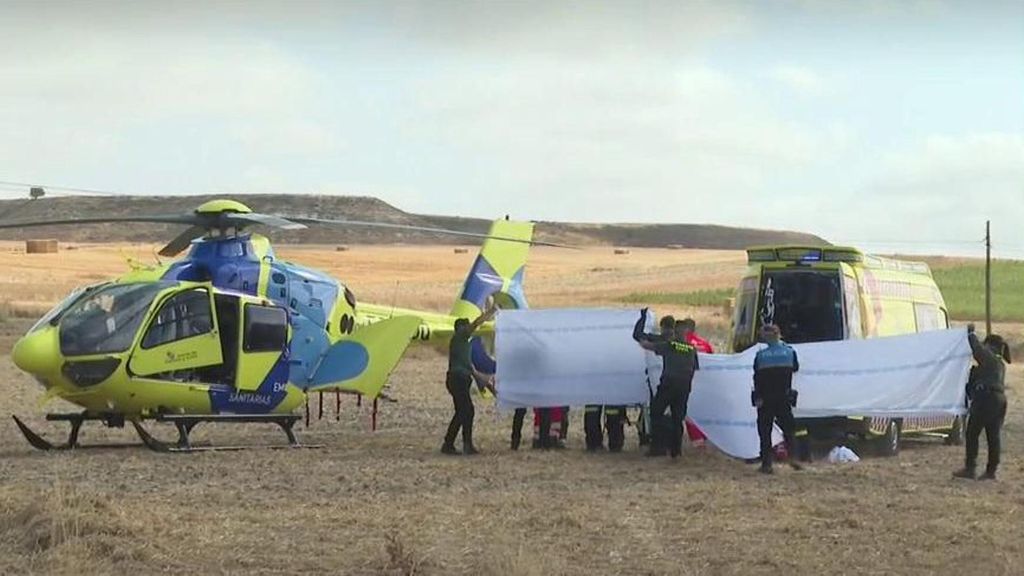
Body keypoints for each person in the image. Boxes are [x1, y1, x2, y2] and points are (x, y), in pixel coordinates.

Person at [633, 310, 699, 458]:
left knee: (656, 412)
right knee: (677, 418)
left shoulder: (670, 345)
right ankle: (676, 451)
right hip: (684, 387)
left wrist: (642, 332)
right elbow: (694, 369)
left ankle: (658, 447)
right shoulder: (691, 348)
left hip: (668, 384)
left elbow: (646, 345)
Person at [954, 324, 1011, 480]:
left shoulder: (990, 358)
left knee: (972, 433)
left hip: (986, 399)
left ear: (990, 345)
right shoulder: (999, 364)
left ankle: (970, 468)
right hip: (999, 400)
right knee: (993, 436)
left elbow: (977, 350)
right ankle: (991, 471)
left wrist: (971, 333)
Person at [441, 303, 498, 456]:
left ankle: (453, 443)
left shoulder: (462, 346)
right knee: (466, 411)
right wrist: (490, 312)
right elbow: (476, 324)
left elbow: (472, 370)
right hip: (458, 379)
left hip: (459, 379)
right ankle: (460, 444)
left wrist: (491, 389)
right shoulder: (459, 337)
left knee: (463, 411)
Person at [752, 324, 802, 474]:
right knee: (789, 428)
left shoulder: (761, 355)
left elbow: (757, 376)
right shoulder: (789, 352)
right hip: (783, 396)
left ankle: (767, 464)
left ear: (765, 337)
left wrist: (758, 397)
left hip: (766, 398)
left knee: (765, 430)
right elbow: (795, 368)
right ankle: (793, 457)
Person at [635, 315, 675, 448]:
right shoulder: (682, 344)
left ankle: (657, 444)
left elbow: (638, 336)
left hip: (661, 384)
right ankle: (673, 445)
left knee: (656, 413)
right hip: (678, 384)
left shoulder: (660, 341)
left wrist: (642, 317)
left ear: (662, 328)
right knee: (674, 414)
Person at [679, 318, 714, 447]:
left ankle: (696, 438)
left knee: (689, 410)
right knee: (702, 409)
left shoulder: (681, 343)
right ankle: (703, 435)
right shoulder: (705, 344)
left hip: (687, 381)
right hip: (704, 382)